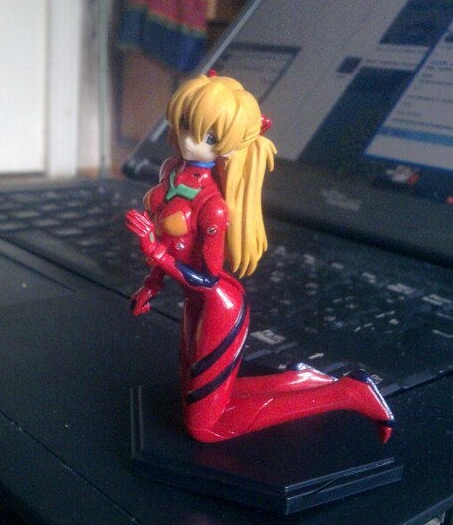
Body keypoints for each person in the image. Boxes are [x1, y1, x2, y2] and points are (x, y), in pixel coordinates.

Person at [126, 73, 394, 443]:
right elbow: (170, 242)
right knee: (198, 398)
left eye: (208, 137)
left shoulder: (213, 207)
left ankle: (347, 394)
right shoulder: (171, 171)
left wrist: (154, 252)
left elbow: (208, 278)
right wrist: (151, 284)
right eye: (186, 124)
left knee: (205, 427)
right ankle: (299, 379)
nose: (189, 139)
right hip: (194, 302)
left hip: (218, 305)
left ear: (228, 146)